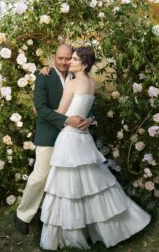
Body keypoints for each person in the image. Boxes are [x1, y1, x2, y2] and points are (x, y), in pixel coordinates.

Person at [39, 47, 151, 250]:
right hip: (83, 137)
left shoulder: (73, 83)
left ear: (83, 64)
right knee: (91, 186)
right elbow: (83, 110)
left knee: (69, 188)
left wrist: (40, 110)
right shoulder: (90, 83)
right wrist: (89, 119)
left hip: (70, 138)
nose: (70, 62)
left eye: (74, 59)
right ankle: (102, 229)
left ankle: (72, 232)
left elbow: (61, 113)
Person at [14, 44, 94, 234]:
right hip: (49, 134)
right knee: (40, 176)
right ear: (54, 57)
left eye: (69, 58)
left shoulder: (77, 76)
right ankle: (22, 215)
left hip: (72, 139)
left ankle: (50, 217)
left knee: (63, 180)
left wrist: (90, 119)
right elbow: (40, 109)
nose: (65, 62)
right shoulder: (44, 76)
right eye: (61, 58)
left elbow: (84, 103)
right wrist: (67, 120)